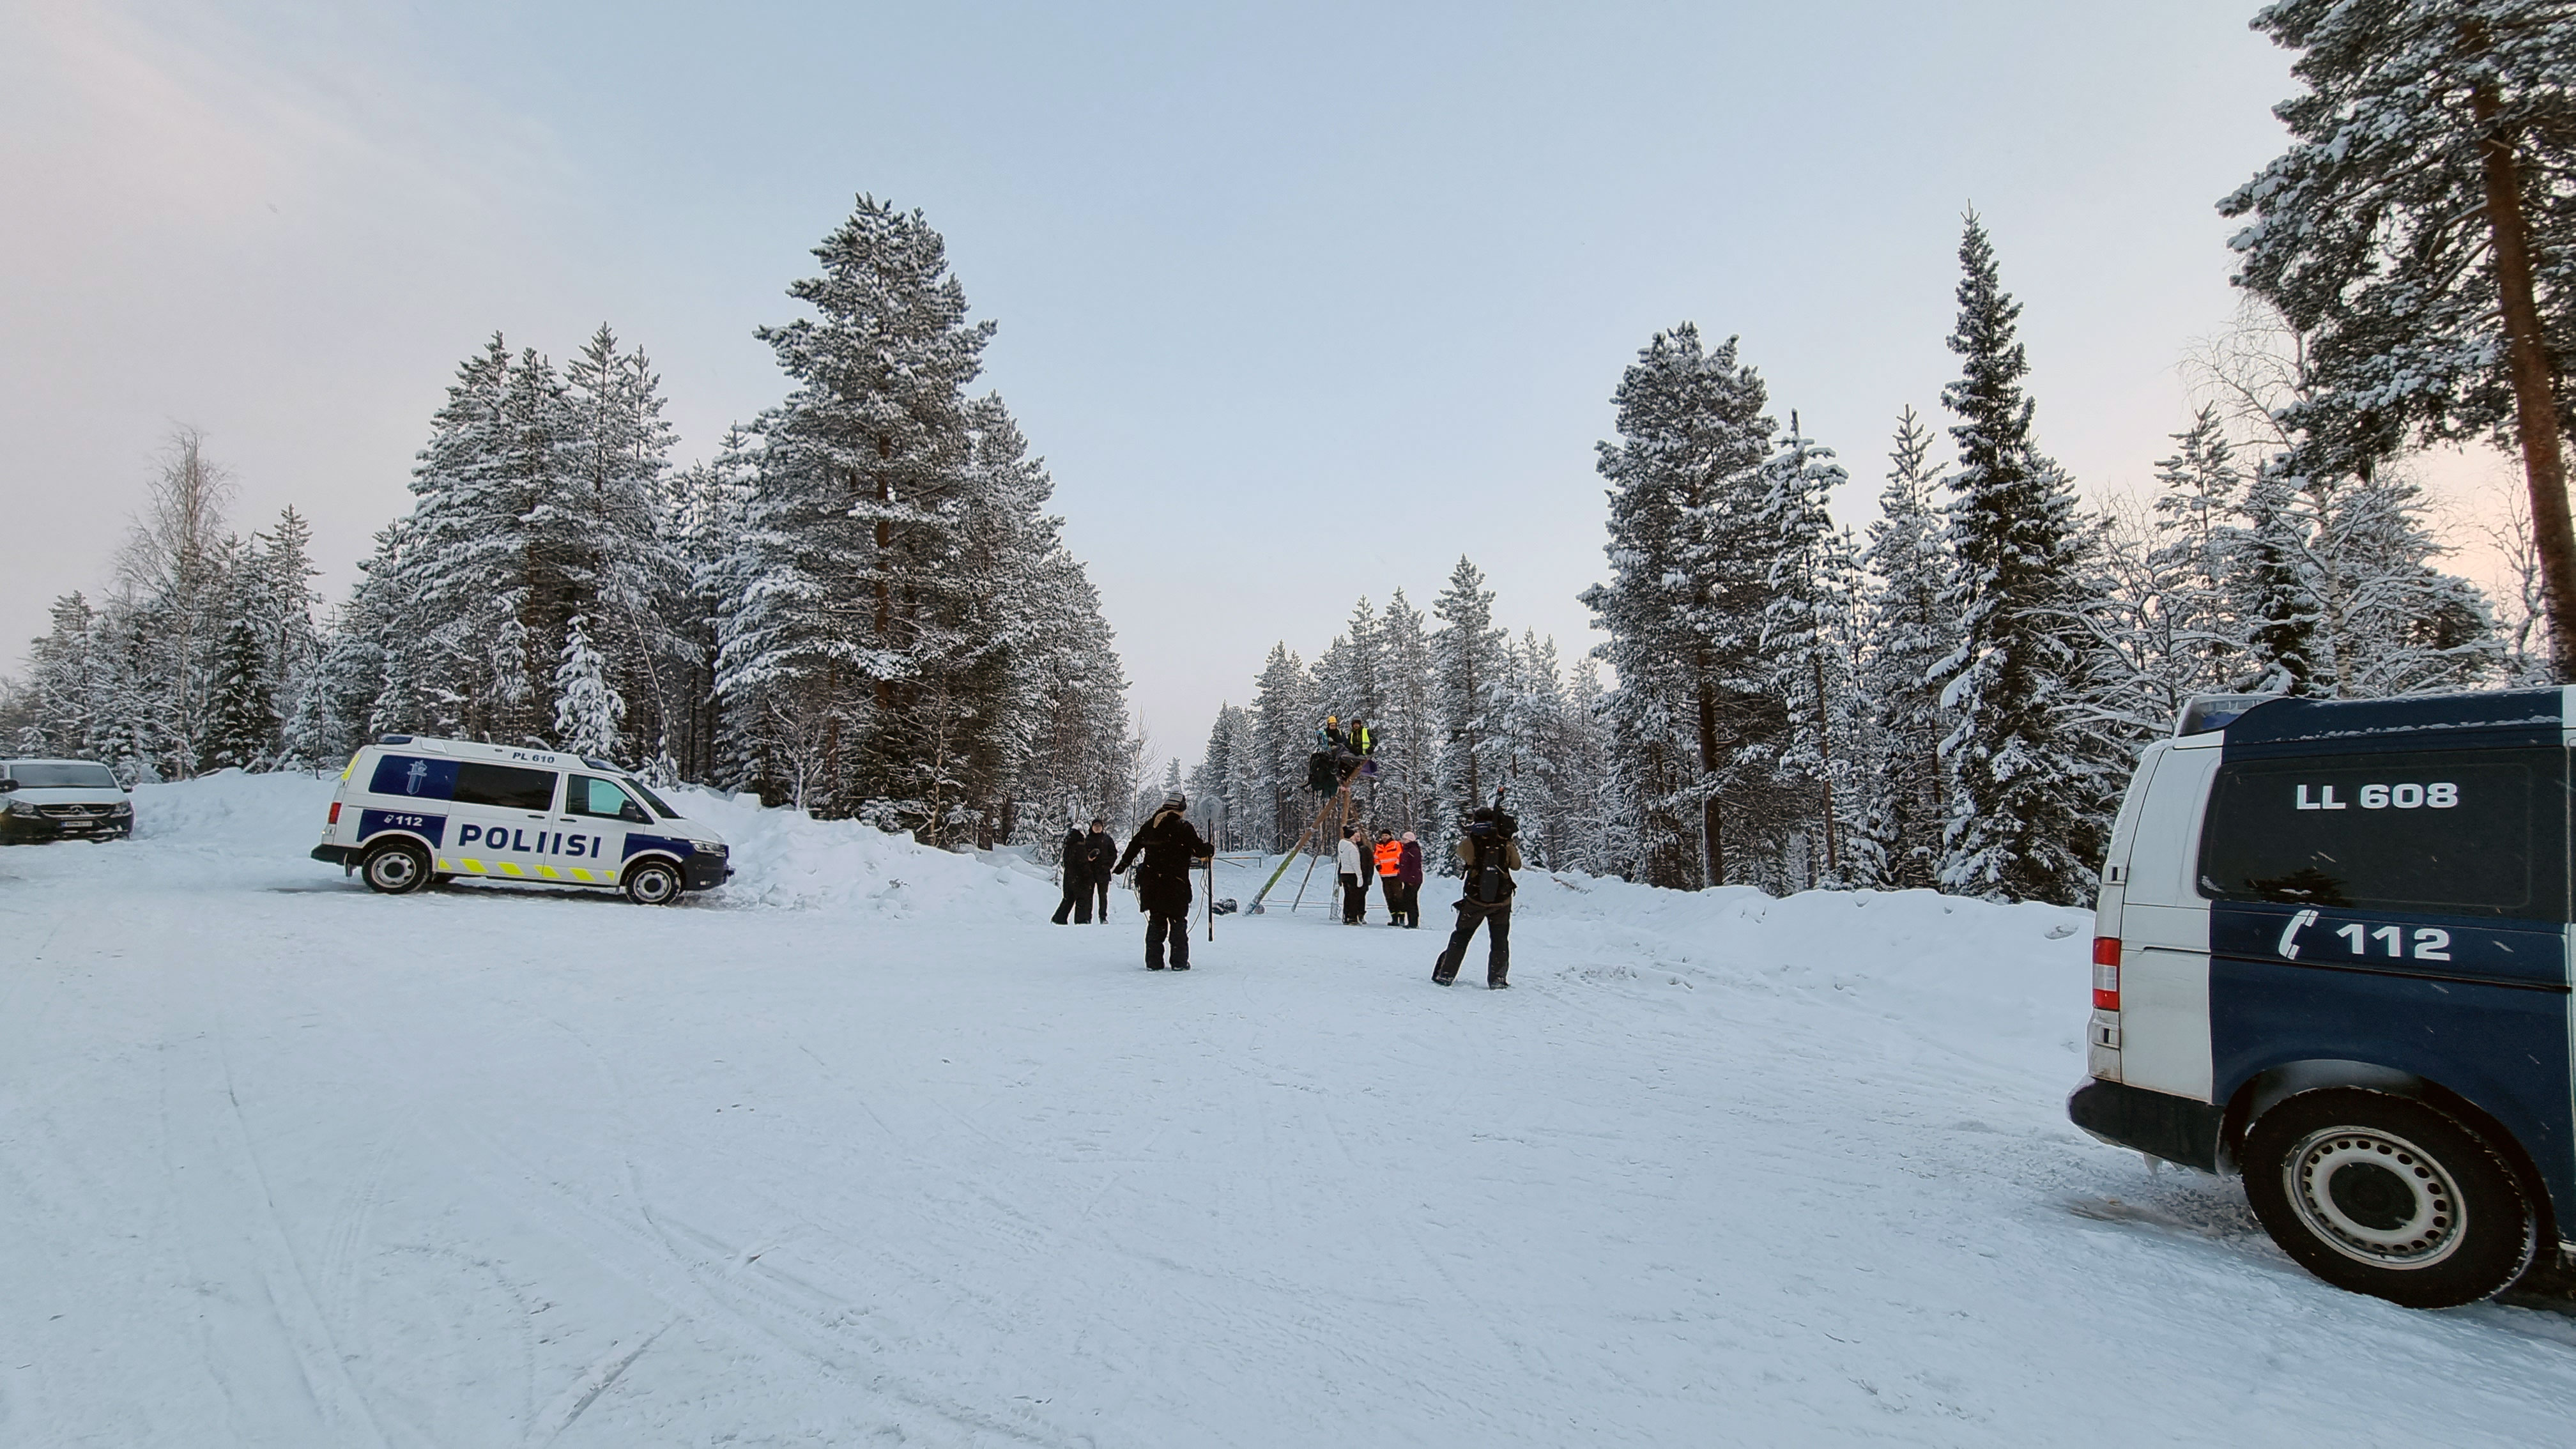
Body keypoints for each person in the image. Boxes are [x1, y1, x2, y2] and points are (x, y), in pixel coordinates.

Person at [1116, 790, 1214, 970]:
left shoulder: (1151, 825)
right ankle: (1179, 962)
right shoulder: (1183, 827)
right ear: (1180, 809)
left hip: (1152, 883)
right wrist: (1209, 849)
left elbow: (1134, 845)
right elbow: (1200, 852)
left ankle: (1154, 963)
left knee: (1156, 921)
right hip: (1176, 884)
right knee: (1178, 923)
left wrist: (1122, 865)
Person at [1434, 806, 1521, 988]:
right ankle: (1497, 979)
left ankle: (1446, 974)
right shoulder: (1505, 842)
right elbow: (1516, 866)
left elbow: (1465, 856)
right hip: (1502, 900)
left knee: (1462, 936)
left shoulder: (1470, 842)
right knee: (1500, 940)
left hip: (1475, 898)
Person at [1050, 820, 1091, 924]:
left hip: (1068, 876)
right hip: (1079, 877)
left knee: (1068, 898)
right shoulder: (1080, 847)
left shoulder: (1068, 847)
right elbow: (1083, 863)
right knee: (1081, 899)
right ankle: (1081, 921)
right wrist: (1088, 875)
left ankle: (1059, 918)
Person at [1083, 817, 1118, 922]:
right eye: (1095, 826)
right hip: (1090, 872)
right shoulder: (1087, 839)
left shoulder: (1107, 839)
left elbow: (1114, 854)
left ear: (1102, 827)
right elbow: (1081, 854)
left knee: (1103, 896)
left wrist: (1109, 865)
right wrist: (1087, 859)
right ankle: (1087, 918)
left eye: (1099, 826)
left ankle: (1103, 917)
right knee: (1088, 896)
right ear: (1092, 827)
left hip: (1103, 872)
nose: (1097, 828)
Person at [1336, 825, 1367, 924]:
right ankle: (1353, 918)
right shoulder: (1352, 848)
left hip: (1344, 873)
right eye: (1354, 836)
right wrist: (1359, 876)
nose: (1355, 838)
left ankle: (1346, 915)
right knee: (1354, 897)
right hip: (1352, 874)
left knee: (1347, 896)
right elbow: (1355, 863)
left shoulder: (1342, 846)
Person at [1395, 831, 1424, 928]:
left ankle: (1413, 922)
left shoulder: (1414, 850)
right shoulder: (1407, 849)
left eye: (1404, 839)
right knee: (1409, 900)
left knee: (1411, 901)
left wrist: (1412, 879)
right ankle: (1412, 921)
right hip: (1408, 879)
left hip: (1413, 881)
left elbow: (1415, 867)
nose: (1403, 841)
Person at [1373, 831, 1403, 924]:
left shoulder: (1396, 844)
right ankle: (1394, 918)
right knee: (1389, 897)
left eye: (1386, 835)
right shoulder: (1379, 846)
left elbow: (1400, 854)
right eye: (1383, 836)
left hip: (1395, 874)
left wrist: (1398, 864)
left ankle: (1401, 917)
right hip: (1384, 875)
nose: (1384, 837)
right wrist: (1378, 865)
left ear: (1390, 836)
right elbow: (1376, 857)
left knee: (1398, 897)